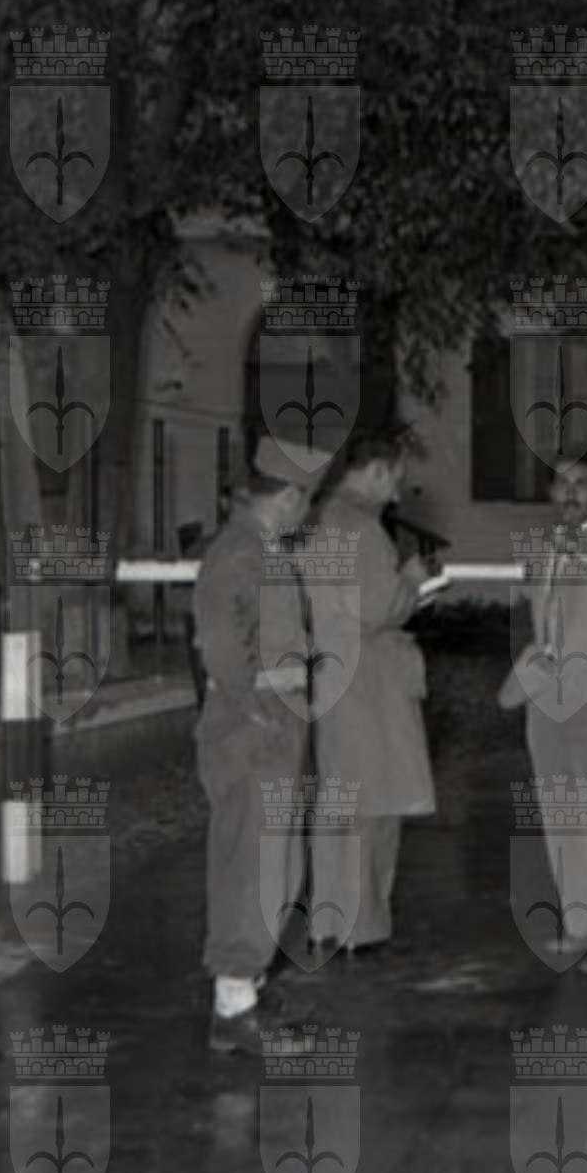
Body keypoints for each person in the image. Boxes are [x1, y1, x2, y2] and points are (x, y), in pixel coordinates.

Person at [192, 435, 333, 1050]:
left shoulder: (261, 549)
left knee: (272, 861)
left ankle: (245, 988)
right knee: (251, 862)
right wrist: (256, 715)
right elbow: (224, 651)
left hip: (273, 719)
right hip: (255, 726)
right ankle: (233, 1007)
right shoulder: (240, 552)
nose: (309, 512)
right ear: (292, 496)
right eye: (308, 500)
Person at [498, 453, 587, 977]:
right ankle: (582, 924)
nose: (571, 492)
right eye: (561, 483)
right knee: (561, 815)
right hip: (549, 696)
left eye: (582, 483)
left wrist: (571, 545)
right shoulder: (539, 548)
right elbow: (529, 614)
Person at [301, 427, 436, 956]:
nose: (397, 493)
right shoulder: (364, 529)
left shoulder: (317, 521)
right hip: (371, 679)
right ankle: (363, 925)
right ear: (376, 471)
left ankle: (327, 919)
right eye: (395, 479)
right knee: (375, 800)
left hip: (331, 672)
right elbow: (380, 609)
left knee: (336, 797)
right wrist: (414, 580)